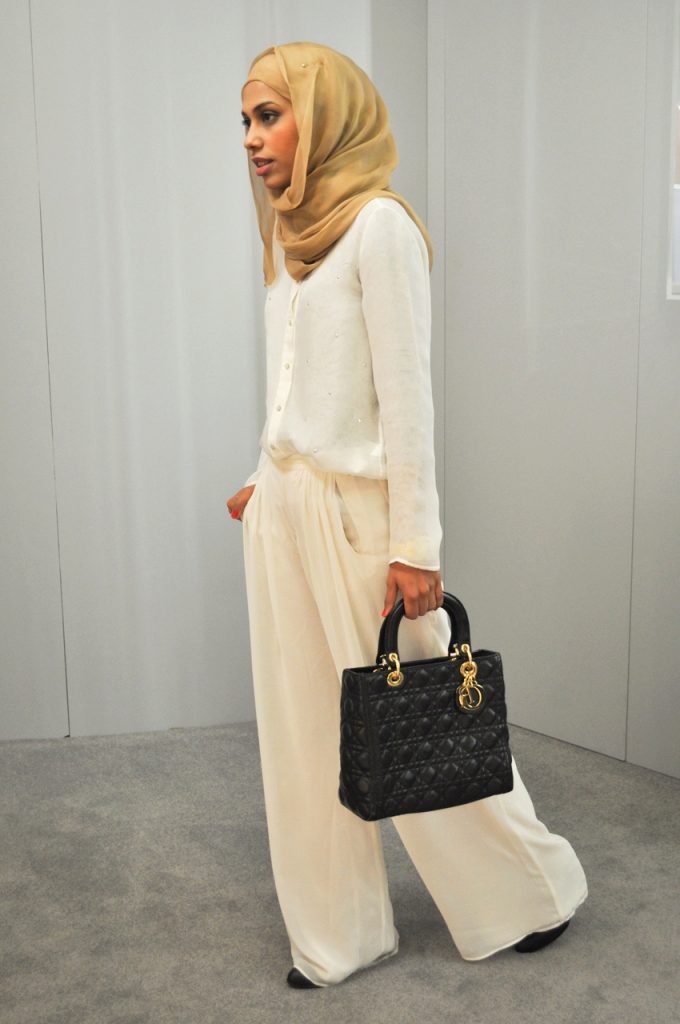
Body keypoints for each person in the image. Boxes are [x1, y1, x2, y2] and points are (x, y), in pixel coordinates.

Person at [227, 41, 588, 989]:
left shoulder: (379, 227)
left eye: (270, 115)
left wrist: (416, 545)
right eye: (247, 122)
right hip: (285, 509)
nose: (253, 139)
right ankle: (336, 935)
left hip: (362, 518)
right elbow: (293, 381)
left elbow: (405, 399)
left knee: (425, 718)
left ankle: (531, 891)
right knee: (304, 737)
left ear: (325, 115)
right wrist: (264, 473)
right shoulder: (286, 232)